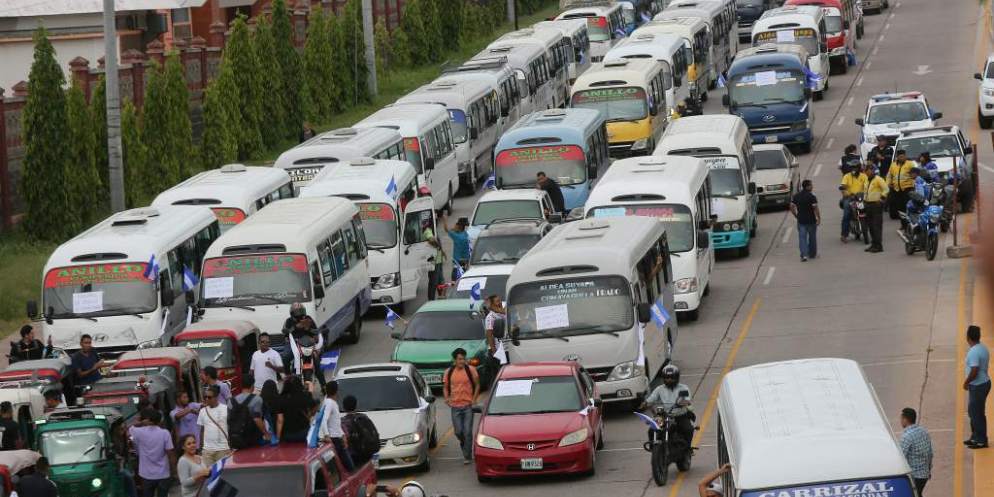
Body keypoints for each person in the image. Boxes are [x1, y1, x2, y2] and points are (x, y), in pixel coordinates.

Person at [642, 365, 694, 446]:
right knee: (652, 430)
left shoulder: (683, 388)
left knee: (688, 429)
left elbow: (687, 400)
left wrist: (682, 402)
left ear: (677, 378)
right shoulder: (659, 389)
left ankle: (688, 449)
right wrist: (645, 403)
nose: (669, 380)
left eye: (671, 377)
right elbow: (651, 399)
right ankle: (654, 450)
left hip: (680, 416)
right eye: (667, 377)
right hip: (665, 416)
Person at [443, 347, 479, 464]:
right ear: (455, 360)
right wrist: (447, 398)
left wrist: (474, 399)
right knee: (458, 432)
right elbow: (445, 387)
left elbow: (478, 385)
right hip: (455, 407)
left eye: (463, 359)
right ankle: (464, 443)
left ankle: (467, 456)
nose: (462, 362)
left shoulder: (471, 370)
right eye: (459, 359)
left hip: (468, 405)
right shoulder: (449, 372)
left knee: (467, 431)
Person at [128, 408, 175, 497]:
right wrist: (173, 471)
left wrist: (139, 423)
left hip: (146, 475)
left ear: (145, 419)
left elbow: (127, 430)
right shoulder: (165, 433)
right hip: (163, 474)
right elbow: (170, 454)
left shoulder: (138, 432)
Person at [318, 381, 355, 471]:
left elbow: (335, 423)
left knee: (343, 466)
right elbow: (323, 420)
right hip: (334, 439)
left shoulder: (329, 402)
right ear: (336, 391)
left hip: (338, 438)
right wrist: (327, 435)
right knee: (348, 466)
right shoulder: (330, 403)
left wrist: (342, 435)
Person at [282, 304, 323, 386]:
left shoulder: (308, 319)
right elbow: (285, 331)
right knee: (285, 356)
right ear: (292, 313)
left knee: (316, 363)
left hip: (307, 344)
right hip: (293, 344)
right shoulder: (288, 321)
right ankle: (288, 375)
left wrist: (308, 328)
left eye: (301, 311)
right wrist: (296, 326)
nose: (300, 314)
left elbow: (316, 332)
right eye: (297, 312)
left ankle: (324, 385)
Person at [964, 325, 990, 448]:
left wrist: (966, 382)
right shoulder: (982, 348)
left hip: (978, 386)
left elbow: (974, 370)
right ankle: (975, 437)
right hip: (982, 384)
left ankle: (981, 440)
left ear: (968, 337)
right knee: (973, 412)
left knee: (977, 413)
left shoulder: (974, 351)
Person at [898, 407, 932, 495]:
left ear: (905, 419)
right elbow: (930, 453)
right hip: (924, 475)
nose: (900, 421)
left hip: (914, 476)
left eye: (901, 418)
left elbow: (901, 458)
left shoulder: (907, 436)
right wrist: (928, 471)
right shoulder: (924, 432)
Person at [230, 375, 269, 448]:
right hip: (253, 438)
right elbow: (257, 419)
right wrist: (265, 433)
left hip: (236, 438)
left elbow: (229, 419)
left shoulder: (231, 400)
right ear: (252, 385)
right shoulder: (257, 399)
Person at [197, 384, 231, 468]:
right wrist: (201, 448)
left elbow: (230, 427)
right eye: (205, 397)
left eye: (209, 397)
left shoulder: (225, 409)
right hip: (207, 451)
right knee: (209, 475)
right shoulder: (202, 411)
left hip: (223, 449)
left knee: (223, 474)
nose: (206, 399)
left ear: (216, 397)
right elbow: (202, 430)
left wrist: (231, 446)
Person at [341, 394, 380, 466]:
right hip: (367, 454)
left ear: (343, 407)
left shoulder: (342, 422)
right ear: (356, 405)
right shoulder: (363, 417)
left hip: (353, 457)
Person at [790, 179, 820, 262]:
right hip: (811, 221)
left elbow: (791, 207)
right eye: (811, 185)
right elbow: (815, 208)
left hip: (801, 221)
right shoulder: (812, 196)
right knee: (812, 238)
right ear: (807, 187)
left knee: (802, 238)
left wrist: (796, 215)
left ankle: (804, 255)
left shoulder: (796, 196)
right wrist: (818, 218)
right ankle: (812, 254)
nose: (812, 186)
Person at [279, 375, 314, 443]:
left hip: (287, 434)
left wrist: (278, 437)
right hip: (303, 433)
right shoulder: (304, 396)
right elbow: (312, 403)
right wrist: (310, 388)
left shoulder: (281, 399)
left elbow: (280, 420)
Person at [863, 165, 889, 253]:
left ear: (873, 171)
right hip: (868, 204)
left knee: (876, 226)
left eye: (870, 171)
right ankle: (873, 244)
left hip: (876, 205)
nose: (868, 172)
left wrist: (881, 199)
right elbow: (865, 192)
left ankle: (878, 246)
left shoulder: (878, 179)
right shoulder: (867, 180)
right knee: (870, 226)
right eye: (866, 171)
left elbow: (886, 189)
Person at [839, 166, 867, 242]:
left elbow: (867, 186)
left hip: (861, 198)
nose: (853, 170)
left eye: (855, 168)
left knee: (870, 211)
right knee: (846, 215)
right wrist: (845, 192)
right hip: (849, 198)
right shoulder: (846, 176)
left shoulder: (864, 176)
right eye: (852, 168)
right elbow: (843, 186)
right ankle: (844, 235)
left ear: (859, 168)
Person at [886, 149, 915, 219]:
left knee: (907, 203)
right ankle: (897, 215)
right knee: (894, 203)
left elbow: (915, 174)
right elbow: (889, 175)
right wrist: (888, 183)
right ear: (897, 157)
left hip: (907, 187)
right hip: (896, 188)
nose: (902, 158)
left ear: (905, 156)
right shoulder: (893, 165)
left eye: (903, 156)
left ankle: (909, 215)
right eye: (900, 156)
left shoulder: (910, 164)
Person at [441, 214, 471, 281]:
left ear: (459, 226)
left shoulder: (456, 236)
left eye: (457, 224)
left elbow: (446, 229)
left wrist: (445, 220)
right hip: (465, 260)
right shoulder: (465, 234)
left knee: (454, 280)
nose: (455, 225)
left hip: (458, 262)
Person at [423, 217, 446, 300]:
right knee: (433, 283)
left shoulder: (433, 231)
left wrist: (442, 252)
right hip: (433, 261)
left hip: (438, 260)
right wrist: (438, 246)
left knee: (440, 281)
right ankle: (431, 300)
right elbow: (431, 240)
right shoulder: (428, 231)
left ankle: (441, 298)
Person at [260, 379, 282, 445]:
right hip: (279, 432)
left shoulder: (260, 401)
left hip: (266, 434)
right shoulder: (279, 400)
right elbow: (280, 420)